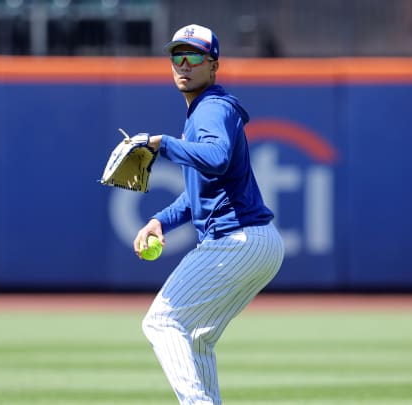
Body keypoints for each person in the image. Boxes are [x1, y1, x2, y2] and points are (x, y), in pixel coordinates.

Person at [133, 24, 285, 405]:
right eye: (177, 56)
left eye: (194, 56)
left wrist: (161, 144)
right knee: (196, 337)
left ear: (213, 65)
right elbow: (199, 193)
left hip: (237, 240)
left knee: (162, 321)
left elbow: (216, 158)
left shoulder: (211, 108)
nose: (183, 64)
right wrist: (160, 221)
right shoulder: (204, 111)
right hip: (258, 243)